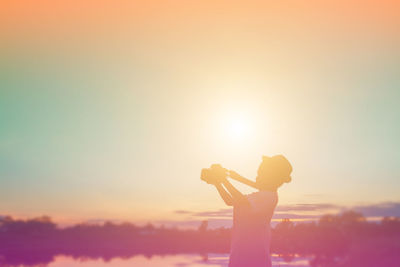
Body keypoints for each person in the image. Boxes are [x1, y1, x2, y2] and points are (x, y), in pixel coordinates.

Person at [202, 155, 292, 267]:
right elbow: (230, 201)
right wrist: (217, 183)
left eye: (261, 173)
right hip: (239, 256)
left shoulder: (268, 197)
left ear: (273, 177)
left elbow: (240, 200)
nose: (257, 176)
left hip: (255, 259)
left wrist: (223, 179)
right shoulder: (260, 196)